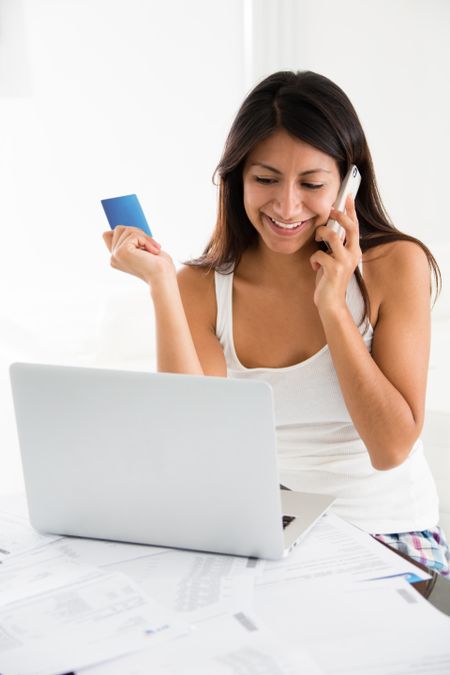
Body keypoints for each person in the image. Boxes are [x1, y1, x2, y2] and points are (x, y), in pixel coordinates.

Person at [103, 70, 449, 576]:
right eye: (265, 179)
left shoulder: (395, 266)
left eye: (312, 184)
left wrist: (333, 304)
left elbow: (391, 447)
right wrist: (161, 286)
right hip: (265, 535)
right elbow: (192, 441)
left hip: (388, 532)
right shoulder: (201, 287)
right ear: (237, 177)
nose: (287, 206)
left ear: (348, 183)